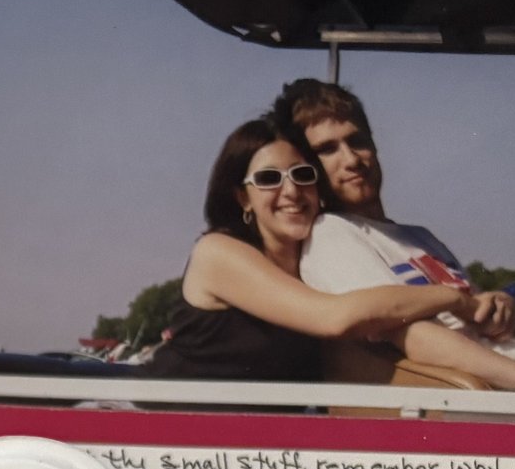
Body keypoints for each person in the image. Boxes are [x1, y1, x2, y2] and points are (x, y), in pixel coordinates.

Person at [274, 78, 515, 395]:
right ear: (308, 168)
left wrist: (500, 309)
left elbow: (476, 323)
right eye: (328, 150)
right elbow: (413, 336)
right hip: (475, 401)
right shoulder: (331, 234)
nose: (351, 160)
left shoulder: (419, 238)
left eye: (357, 141)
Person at [147, 118, 470, 383]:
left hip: (267, 443)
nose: (291, 191)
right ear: (243, 198)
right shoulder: (217, 253)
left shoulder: (318, 258)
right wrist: (455, 298)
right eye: (268, 178)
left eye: (302, 175)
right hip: (168, 435)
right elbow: (336, 317)